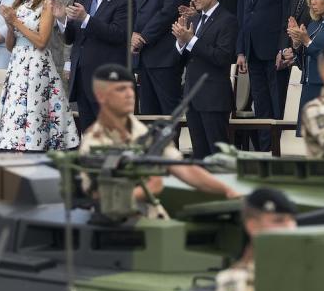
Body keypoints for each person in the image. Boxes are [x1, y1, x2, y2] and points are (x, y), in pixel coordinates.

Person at [79, 64, 237, 219]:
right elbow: (98, 197)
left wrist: (227, 190)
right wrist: (147, 188)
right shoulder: (93, 143)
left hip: (153, 218)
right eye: (120, 89)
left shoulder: (144, 132)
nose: (129, 94)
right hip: (118, 226)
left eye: (130, 88)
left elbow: (184, 169)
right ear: (101, 96)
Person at [0, 0, 78, 152]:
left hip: (38, 64)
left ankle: (37, 150)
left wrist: (16, 22)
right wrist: (10, 25)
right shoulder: (19, 3)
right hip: (17, 63)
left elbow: (41, 41)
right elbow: (11, 46)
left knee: (36, 109)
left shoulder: (48, 3)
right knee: (18, 109)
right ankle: (18, 149)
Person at [237, 0, 299, 152]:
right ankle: (263, 153)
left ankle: (278, 152)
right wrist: (241, 49)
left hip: (274, 49)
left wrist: (283, 47)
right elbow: (243, 11)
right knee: (260, 105)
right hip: (252, 49)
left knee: (277, 103)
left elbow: (287, 9)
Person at [53, 0, 128, 132]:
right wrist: (62, 19)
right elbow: (72, 38)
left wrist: (86, 18)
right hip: (82, 79)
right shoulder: (83, 0)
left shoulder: (124, 0)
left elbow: (119, 34)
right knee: (88, 134)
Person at [172, 0, 238, 158]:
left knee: (218, 157)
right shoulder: (195, 19)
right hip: (193, 97)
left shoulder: (227, 20)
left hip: (214, 99)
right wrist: (181, 42)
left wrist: (191, 40)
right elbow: (182, 60)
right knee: (199, 155)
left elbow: (222, 57)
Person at [215, 188, 297, 291]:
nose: (290, 228)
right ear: (253, 226)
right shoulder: (233, 280)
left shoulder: (307, 267)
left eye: (292, 220)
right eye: (279, 221)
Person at [132, 0, 191, 115]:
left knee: (169, 113)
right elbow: (134, 10)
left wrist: (142, 37)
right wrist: (131, 34)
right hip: (143, 56)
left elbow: (168, 11)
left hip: (164, 55)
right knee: (148, 115)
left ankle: (172, 146)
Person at [43, 0, 73, 94]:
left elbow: (71, 36)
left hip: (58, 62)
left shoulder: (68, 0)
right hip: (40, 61)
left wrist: (68, 62)